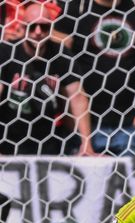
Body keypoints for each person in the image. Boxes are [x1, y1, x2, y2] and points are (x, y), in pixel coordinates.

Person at [53, 0, 135, 156]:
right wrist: (69, 115)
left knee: (125, 180)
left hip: (128, 123)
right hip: (84, 125)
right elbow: (57, 63)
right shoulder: (75, 9)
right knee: (84, 179)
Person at [0, 0, 93, 155]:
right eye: (31, 26)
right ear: (22, 27)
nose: (37, 32)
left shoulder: (60, 55)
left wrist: (86, 144)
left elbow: (77, 97)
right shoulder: (6, 52)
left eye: (44, 27)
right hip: (8, 141)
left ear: (51, 29)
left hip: (48, 142)